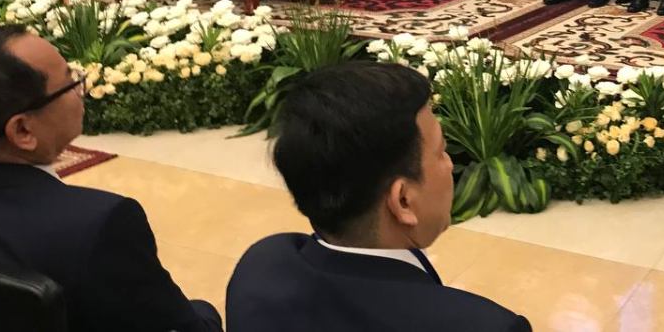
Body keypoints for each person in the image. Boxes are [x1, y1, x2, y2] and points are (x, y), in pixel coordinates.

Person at [226, 62, 532, 332]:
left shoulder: (262, 266)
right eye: (441, 152)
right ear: (403, 201)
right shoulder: (484, 325)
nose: (450, 165)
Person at [0, 24, 222, 331]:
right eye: (71, 83)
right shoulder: (98, 225)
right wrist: (207, 310)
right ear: (23, 130)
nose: (80, 89)